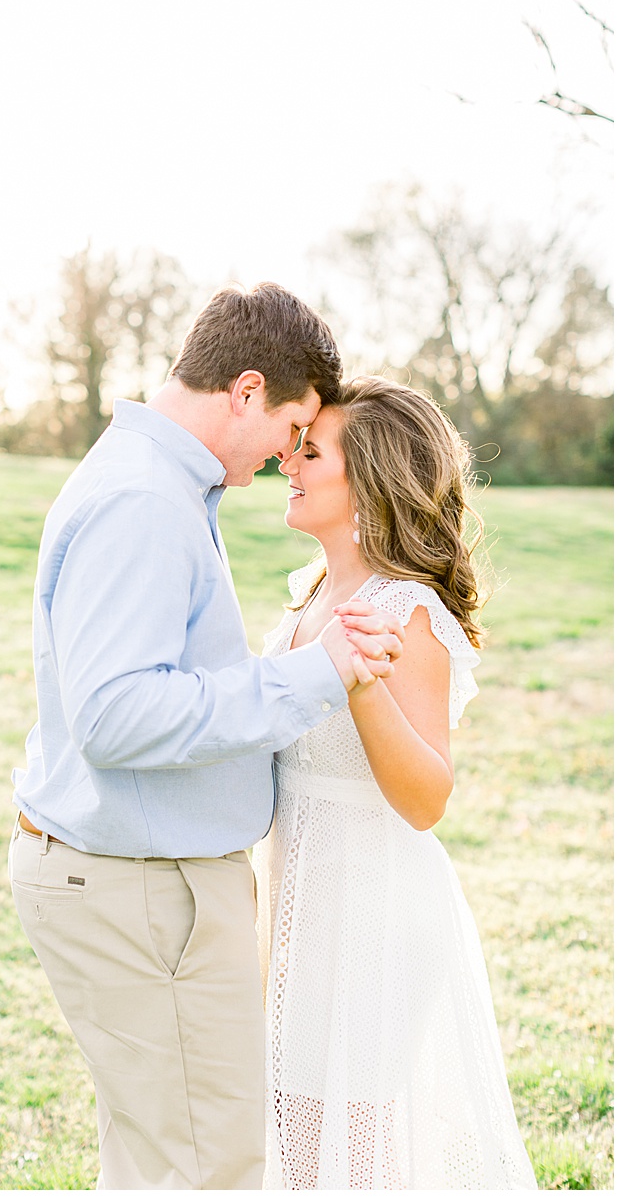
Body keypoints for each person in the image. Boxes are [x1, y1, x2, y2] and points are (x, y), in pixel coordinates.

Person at [7, 283, 409, 1188]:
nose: (290, 455)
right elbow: (116, 716)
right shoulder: (144, 501)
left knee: (162, 1159)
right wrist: (314, 676)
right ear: (246, 390)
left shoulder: (159, 486)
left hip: (143, 882)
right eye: (293, 427)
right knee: (206, 1171)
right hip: (140, 892)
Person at [259, 377, 535, 1188]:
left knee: (339, 1158)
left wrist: (363, 684)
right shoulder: (312, 594)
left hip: (368, 916)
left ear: (369, 481)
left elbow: (426, 798)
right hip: (301, 904)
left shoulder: (404, 612)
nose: (289, 462)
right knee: (301, 1141)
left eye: (311, 452)